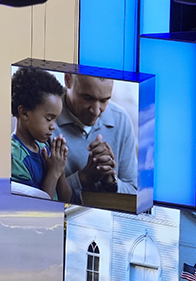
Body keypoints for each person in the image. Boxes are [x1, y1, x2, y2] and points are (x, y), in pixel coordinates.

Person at [53, 72, 138, 203]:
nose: (96, 111)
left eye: (104, 100)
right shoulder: (45, 120)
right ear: (67, 79)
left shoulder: (121, 120)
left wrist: (110, 182)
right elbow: (38, 196)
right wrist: (83, 178)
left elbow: (135, 193)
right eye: (87, 97)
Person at [10, 67, 71, 201]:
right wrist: (53, 173)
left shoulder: (43, 145)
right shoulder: (16, 159)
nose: (53, 126)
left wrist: (59, 168)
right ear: (24, 113)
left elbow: (67, 199)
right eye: (49, 119)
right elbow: (40, 209)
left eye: (56, 119)